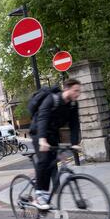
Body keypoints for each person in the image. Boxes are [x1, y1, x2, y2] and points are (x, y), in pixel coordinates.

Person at [29, 79, 82, 210]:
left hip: (52, 135)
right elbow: (42, 118)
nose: (78, 94)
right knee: (44, 160)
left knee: (52, 163)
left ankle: (43, 193)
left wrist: (74, 143)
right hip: (38, 132)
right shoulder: (52, 99)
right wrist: (42, 139)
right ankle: (39, 197)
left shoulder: (73, 105)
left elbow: (74, 125)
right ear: (66, 89)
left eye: (79, 91)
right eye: (76, 90)